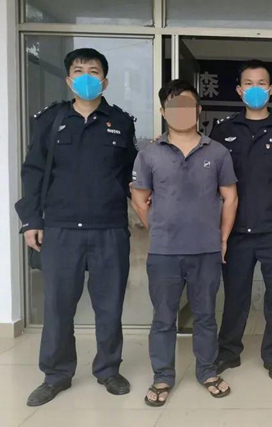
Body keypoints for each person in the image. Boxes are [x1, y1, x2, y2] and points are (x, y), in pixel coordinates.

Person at [15, 48, 137, 406]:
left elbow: (130, 175)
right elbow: (34, 171)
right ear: (69, 80)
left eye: (93, 71)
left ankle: (108, 370)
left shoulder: (121, 122)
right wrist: (31, 220)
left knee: (109, 306)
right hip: (61, 227)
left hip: (109, 228)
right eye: (79, 71)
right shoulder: (50, 120)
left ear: (105, 81)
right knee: (57, 307)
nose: (86, 77)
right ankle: (56, 374)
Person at [131, 80, 238, 406]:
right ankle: (163, 376)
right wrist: (159, 228)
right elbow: (139, 198)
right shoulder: (150, 154)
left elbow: (230, 197)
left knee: (205, 316)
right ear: (163, 112)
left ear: (198, 110)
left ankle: (207, 371)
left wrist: (222, 237)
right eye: (173, 106)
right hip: (164, 252)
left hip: (206, 250)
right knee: (164, 318)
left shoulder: (217, 152)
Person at [209, 59, 272, 382]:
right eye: (248, 83)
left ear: (271, 89)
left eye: (261, 83)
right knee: (235, 296)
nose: (255, 89)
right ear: (239, 90)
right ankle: (228, 352)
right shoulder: (222, 131)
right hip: (235, 231)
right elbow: (212, 182)